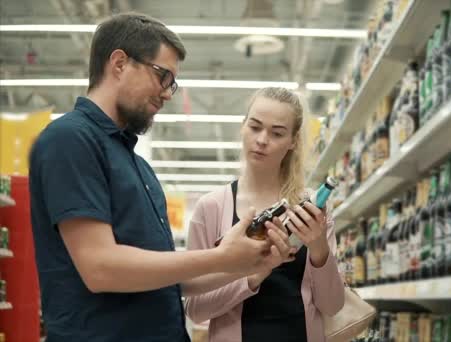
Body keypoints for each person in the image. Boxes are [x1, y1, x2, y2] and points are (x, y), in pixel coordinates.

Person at [28, 13, 293, 342]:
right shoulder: (70, 139)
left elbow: (168, 279)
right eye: (162, 76)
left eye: (173, 83)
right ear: (120, 63)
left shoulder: (138, 166)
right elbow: (100, 267)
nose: (168, 93)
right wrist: (220, 256)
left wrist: (247, 263)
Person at [185, 87, 345, 342]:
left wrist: (318, 248)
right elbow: (195, 309)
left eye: (277, 132)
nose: (261, 139)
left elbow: (332, 306)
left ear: (293, 142)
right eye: (255, 126)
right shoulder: (211, 208)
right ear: (243, 127)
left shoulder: (312, 209)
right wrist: (254, 274)